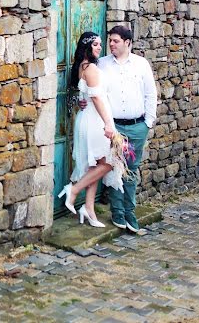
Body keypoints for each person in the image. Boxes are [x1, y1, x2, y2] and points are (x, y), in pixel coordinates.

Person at [92, 25, 158, 234]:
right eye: (110, 40)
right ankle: (117, 212)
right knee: (114, 168)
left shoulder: (141, 65)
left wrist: (148, 123)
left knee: (131, 169)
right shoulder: (102, 64)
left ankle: (130, 212)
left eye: (115, 41)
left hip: (137, 126)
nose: (111, 44)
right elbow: (93, 89)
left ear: (127, 42)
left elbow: (150, 94)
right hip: (114, 127)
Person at [57, 31, 125, 228]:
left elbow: (84, 95)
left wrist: (81, 101)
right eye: (96, 44)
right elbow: (96, 97)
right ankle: (74, 190)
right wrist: (109, 124)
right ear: (87, 46)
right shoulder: (92, 69)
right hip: (96, 121)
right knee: (110, 162)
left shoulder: (83, 66)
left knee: (96, 165)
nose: (100, 47)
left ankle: (89, 209)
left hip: (88, 118)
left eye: (100, 44)